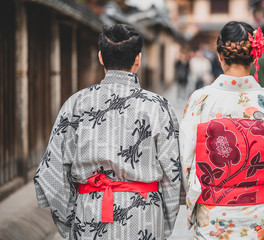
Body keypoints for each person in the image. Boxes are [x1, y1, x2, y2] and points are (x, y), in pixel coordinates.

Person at [34, 24, 182, 240]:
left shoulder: (76, 104)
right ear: (138, 59)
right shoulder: (158, 106)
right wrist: (163, 224)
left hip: (89, 215)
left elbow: (52, 172)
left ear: (101, 57)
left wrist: (69, 224)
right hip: (145, 217)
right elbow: (173, 174)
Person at [180, 21, 264, 239]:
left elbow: (186, 161)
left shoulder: (200, 100)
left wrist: (193, 204)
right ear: (255, 56)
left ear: (220, 56)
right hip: (260, 210)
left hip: (211, 209)